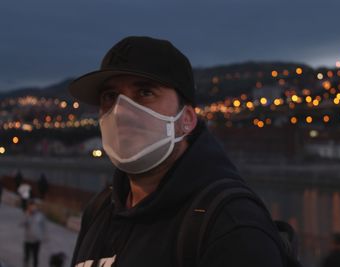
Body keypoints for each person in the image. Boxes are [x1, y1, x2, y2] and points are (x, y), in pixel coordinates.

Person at [68, 36, 285, 267]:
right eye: (110, 97)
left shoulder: (231, 226)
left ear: (187, 119)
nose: (122, 111)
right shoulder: (100, 210)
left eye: (145, 92)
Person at [21, 199, 47, 267]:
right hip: (28, 240)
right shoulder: (27, 214)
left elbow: (43, 227)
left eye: (33, 206)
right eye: (31, 206)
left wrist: (43, 236)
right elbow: (22, 223)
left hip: (36, 240)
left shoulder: (40, 215)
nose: (32, 207)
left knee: (35, 257)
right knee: (26, 257)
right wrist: (27, 215)